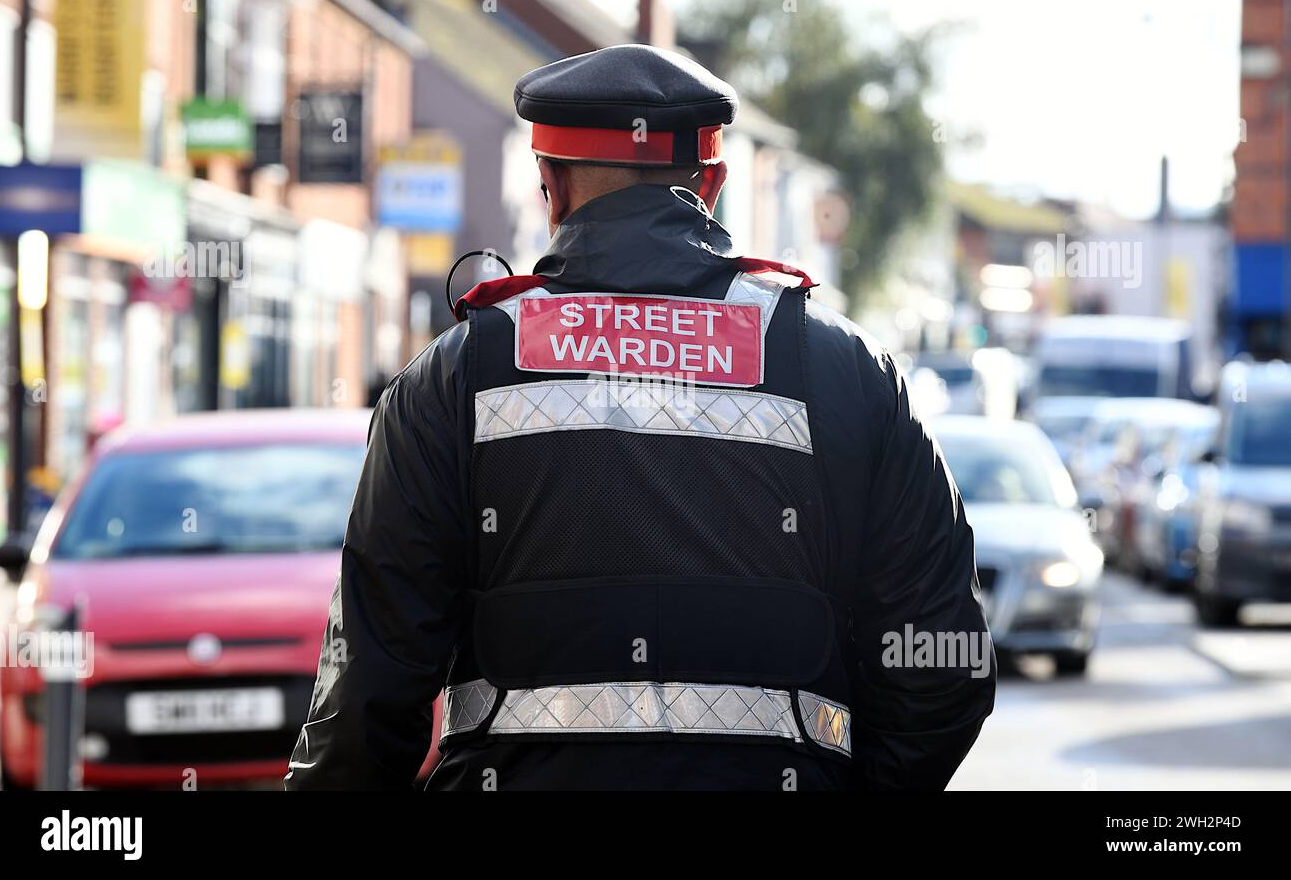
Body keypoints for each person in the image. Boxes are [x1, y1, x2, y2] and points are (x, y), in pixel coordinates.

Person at [286, 44, 994, 791]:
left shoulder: (453, 378)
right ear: (713, 184)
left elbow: (369, 692)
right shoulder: (848, 372)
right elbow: (941, 661)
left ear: (549, 187)